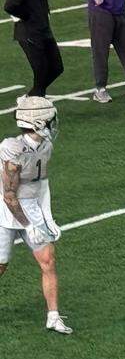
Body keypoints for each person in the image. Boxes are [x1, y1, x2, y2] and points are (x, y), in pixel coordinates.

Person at [0, 96, 72, 334]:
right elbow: (9, 195)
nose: (53, 123)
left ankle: (53, 316)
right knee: (1, 266)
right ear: (39, 123)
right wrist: (28, 224)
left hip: (30, 206)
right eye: (49, 119)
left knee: (48, 260)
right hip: (4, 209)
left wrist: (47, 215)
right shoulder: (13, 149)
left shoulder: (45, 146)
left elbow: (41, 183)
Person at [4, 0, 64, 97]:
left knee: (57, 67)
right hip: (29, 33)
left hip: (44, 30)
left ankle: (31, 97)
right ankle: (34, 100)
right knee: (41, 71)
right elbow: (10, 6)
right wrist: (26, 16)